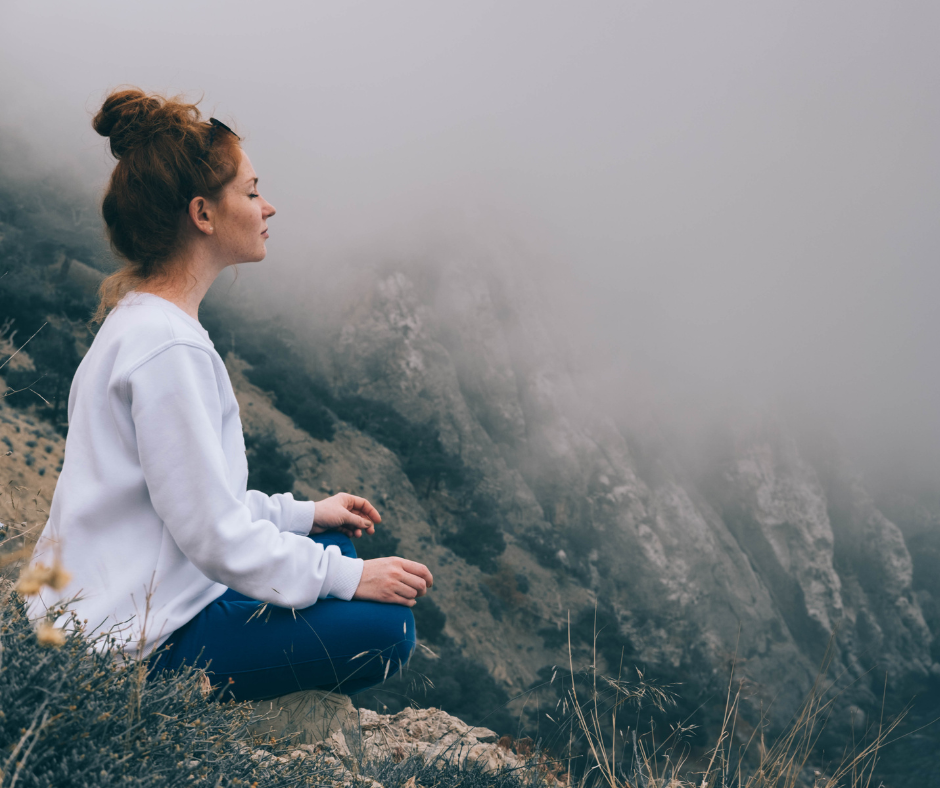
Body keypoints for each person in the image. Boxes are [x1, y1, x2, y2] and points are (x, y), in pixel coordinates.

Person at [25, 88, 433, 701]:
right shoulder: (170, 350)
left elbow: (188, 500)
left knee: (331, 544)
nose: (268, 206)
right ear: (203, 215)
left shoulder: (143, 323)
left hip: (118, 607)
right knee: (387, 629)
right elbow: (212, 532)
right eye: (250, 191)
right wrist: (346, 577)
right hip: (126, 649)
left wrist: (305, 514)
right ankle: (169, 702)